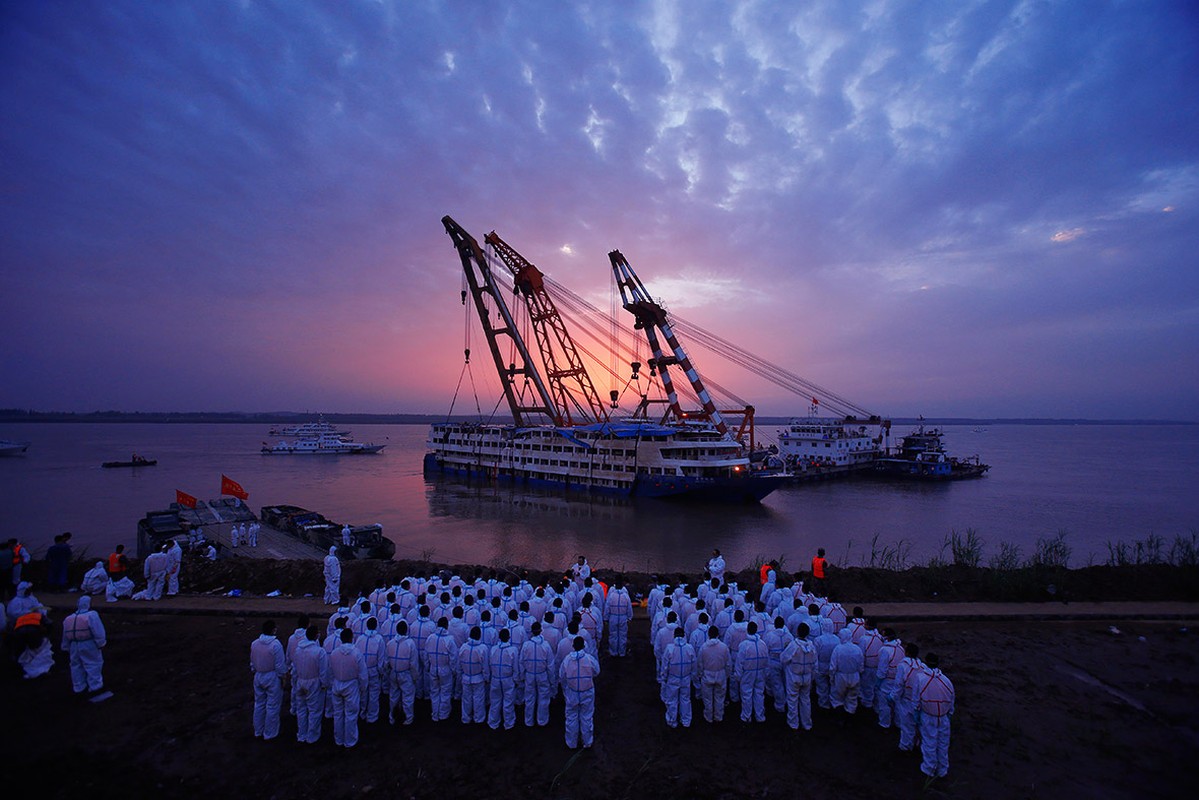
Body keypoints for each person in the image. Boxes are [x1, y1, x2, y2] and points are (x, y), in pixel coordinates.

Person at [917, 653, 955, 779]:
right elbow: (951, 700)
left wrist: (916, 714)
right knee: (943, 744)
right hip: (943, 717)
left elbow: (915, 700)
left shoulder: (921, 679)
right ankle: (942, 770)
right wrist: (949, 714)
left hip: (928, 716)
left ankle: (929, 770)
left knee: (929, 743)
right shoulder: (946, 681)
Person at [559, 636, 600, 749]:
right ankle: (587, 742)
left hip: (572, 692)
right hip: (587, 692)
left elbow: (562, 676)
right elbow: (597, 671)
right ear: (584, 646)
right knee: (586, 717)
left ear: (573, 646)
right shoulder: (589, 659)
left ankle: (571, 743)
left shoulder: (567, 660)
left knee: (571, 718)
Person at [61, 595, 107, 696]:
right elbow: (98, 631)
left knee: (76, 665)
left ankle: (79, 686)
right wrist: (101, 643)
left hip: (74, 644)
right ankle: (95, 686)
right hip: (88, 643)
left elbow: (64, 634)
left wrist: (65, 647)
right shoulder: (91, 616)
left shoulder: (68, 618)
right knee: (93, 664)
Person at [329, 628, 367, 748]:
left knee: (338, 713)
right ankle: (350, 740)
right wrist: (362, 687)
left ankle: (338, 739)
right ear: (351, 638)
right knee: (351, 714)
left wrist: (332, 683)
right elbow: (362, 674)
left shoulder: (334, 653)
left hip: (337, 684)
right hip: (351, 685)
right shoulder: (357, 653)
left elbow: (330, 670)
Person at [291, 625, 329, 744]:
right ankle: (312, 736)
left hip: (300, 681)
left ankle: (301, 734)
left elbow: (295, 668)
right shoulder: (319, 652)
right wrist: (324, 684)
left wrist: (295, 680)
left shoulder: (298, 650)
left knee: (301, 709)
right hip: (314, 683)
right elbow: (323, 671)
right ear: (316, 635)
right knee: (314, 710)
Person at [250, 620, 287, 740]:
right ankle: (270, 733)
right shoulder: (276, 645)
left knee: (259, 704)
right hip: (272, 677)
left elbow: (252, 662)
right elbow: (280, 665)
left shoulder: (254, 643)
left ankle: (258, 730)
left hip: (258, 675)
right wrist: (283, 677)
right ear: (274, 630)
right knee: (272, 706)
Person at [383, 620, 420, 725]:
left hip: (394, 673)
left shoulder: (390, 643)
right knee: (407, 697)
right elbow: (413, 663)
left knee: (393, 696)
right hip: (406, 674)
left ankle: (392, 716)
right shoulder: (410, 644)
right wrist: (415, 676)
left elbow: (386, 661)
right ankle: (408, 718)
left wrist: (388, 672)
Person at [781, 622, 816, 731]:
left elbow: (783, 659)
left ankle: (793, 724)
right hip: (807, 676)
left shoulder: (794, 645)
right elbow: (815, 664)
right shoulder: (812, 646)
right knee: (805, 700)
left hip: (794, 676)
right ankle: (807, 724)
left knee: (792, 700)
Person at [660, 626, 697, 728]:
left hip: (673, 678)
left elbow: (665, 666)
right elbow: (694, 665)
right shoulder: (689, 648)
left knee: (672, 700)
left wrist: (664, 678)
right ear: (684, 635)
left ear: (674, 636)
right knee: (685, 700)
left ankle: (672, 721)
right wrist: (694, 678)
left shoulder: (669, 648)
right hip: (685, 678)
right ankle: (686, 721)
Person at [893, 642, 927, 752]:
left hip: (906, 699)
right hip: (920, 700)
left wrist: (893, 696)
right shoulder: (923, 666)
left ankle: (905, 747)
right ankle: (918, 745)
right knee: (919, 725)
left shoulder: (902, 666)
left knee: (906, 725)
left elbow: (899, 684)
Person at [520, 621, 554, 727]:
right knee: (543, 698)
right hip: (542, 675)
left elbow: (521, 661)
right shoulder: (546, 645)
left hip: (530, 675)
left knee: (529, 698)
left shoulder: (526, 645)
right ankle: (542, 720)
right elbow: (550, 665)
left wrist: (522, 675)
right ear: (541, 631)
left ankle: (529, 721)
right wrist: (552, 680)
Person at [735, 621, 769, 722]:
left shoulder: (744, 645)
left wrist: (738, 675)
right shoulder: (762, 644)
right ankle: (760, 716)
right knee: (759, 694)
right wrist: (766, 673)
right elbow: (767, 660)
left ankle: (746, 716)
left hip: (748, 673)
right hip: (760, 672)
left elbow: (739, 662)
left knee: (746, 694)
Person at [424, 617, 457, 722]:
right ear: (447, 626)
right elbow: (453, 657)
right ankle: (443, 714)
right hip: (445, 669)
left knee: (434, 692)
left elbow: (426, 654)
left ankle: (435, 714)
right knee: (445, 692)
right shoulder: (449, 640)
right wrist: (453, 670)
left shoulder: (430, 638)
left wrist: (427, 666)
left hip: (433, 667)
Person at [487, 626, 520, 730]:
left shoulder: (493, 649)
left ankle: (493, 722)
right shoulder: (513, 650)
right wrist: (516, 679)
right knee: (508, 702)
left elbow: (490, 663)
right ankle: (509, 723)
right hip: (508, 679)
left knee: (495, 702)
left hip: (496, 678)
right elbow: (515, 667)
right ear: (509, 637)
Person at [355, 616, 385, 723]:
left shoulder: (360, 639)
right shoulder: (379, 639)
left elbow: (357, 656)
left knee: (363, 692)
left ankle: (362, 712)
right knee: (373, 694)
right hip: (373, 670)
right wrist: (381, 671)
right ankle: (372, 716)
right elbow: (381, 658)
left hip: (362, 670)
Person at [698, 625, 731, 723]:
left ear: (708, 634)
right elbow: (728, 663)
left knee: (707, 698)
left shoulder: (703, 647)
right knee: (720, 698)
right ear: (718, 635)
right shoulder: (724, 647)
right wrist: (726, 675)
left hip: (707, 675)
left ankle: (708, 717)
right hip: (720, 674)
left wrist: (700, 674)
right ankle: (718, 716)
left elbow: (700, 663)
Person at [457, 626, 489, 724]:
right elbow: (485, 666)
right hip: (478, 678)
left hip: (466, 677)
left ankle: (466, 718)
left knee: (466, 699)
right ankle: (478, 719)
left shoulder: (463, 647)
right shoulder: (482, 648)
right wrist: (487, 678)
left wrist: (460, 675)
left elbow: (459, 664)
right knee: (478, 699)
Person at [830, 627, 864, 713]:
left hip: (840, 677)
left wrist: (832, 677)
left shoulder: (838, 649)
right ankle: (850, 718)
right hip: (854, 676)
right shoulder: (857, 648)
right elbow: (861, 664)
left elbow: (833, 666)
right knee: (852, 698)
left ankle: (840, 718)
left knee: (837, 698)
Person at [604, 578, 632, 657]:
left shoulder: (611, 596)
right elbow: (629, 608)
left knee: (613, 635)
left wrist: (606, 618)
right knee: (623, 635)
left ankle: (613, 652)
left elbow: (607, 607)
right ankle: (622, 652)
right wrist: (629, 617)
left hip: (613, 617)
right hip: (623, 618)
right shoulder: (626, 596)